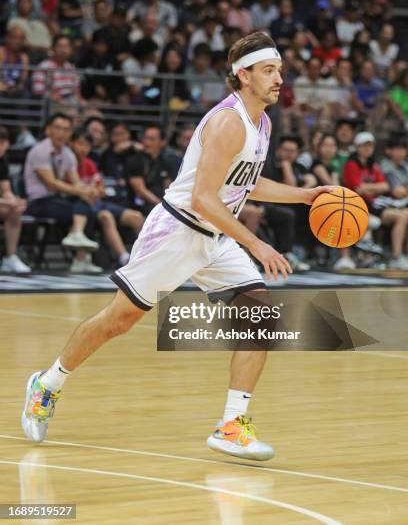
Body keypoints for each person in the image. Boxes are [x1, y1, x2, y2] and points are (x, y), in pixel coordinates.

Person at [21, 31, 333, 461]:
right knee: (119, 320)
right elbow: (204, 197)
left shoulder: (261, 120)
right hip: (177, 231)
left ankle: (231, 425)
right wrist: (258, 244)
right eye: (269, 70)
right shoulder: (228, 121)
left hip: (216, 237)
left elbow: (244, 182)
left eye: (279, 69)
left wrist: (302, 195)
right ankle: (48, 382)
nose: (279, 78)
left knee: (259, 316)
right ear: (243, 75)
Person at [24, 113, 102, 274]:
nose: (62, 133)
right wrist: (81, 190)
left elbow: (76, 181)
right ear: (48, 130)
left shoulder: (67, 154)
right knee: (76, 209)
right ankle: (78, 240)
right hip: (38, 202)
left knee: (88, 207)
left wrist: (88, 191)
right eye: (58, 128)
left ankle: (81, 258)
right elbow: (51, 183)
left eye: (66, 130)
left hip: (57, 200)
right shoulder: (39, 151)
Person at [70, 128, 144, 266]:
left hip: (97, 202)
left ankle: (144, 257)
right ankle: (124, 257)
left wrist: (96, 190)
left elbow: (100, 188)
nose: (83, 148)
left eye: (86, 145)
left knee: (136, 217)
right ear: (71, 144)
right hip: (81, 205)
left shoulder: (89, 164)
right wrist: (91, 190)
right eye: (79, 144)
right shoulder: (68, 163)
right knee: (106, 216)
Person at [342, 131, 408, 270]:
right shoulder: (351, 164)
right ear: (357, 147)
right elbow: (358, 189)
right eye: (364, 146)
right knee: (400, 215)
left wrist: (369, 187)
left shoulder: (373, 166)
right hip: (356, 204)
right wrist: (374, 188)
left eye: (370, 146)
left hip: (372, 204)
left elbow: (385, 186)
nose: (367, 149)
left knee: (402, 216)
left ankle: (397, 256)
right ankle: (391, 256)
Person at [0, 126, 31, 273]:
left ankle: (10, 257)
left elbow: (6, 190)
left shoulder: (3, 159)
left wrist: (14, 200)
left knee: (14, 211)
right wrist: (7, 202)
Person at [125, 126, 172, 216]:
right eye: (145, 138)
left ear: (162, 142)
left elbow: (168, 187)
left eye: (152, 139)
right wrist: (162, 206)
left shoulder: (164, 162)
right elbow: (140, 190)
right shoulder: (135, 160)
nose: (147, 143)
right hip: (141, 206)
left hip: (161, 206)